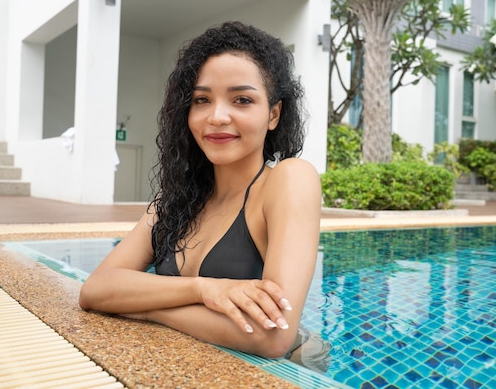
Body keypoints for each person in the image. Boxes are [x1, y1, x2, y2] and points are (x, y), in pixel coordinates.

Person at [79, 21, 321, 359]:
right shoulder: (176, 202)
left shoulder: (289, 180)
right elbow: (95, 289)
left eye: (241, 99)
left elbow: (274, 336)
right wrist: (204, 288)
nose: (217, 116)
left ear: (273, 114)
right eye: (202, 99)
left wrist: (148, 308)